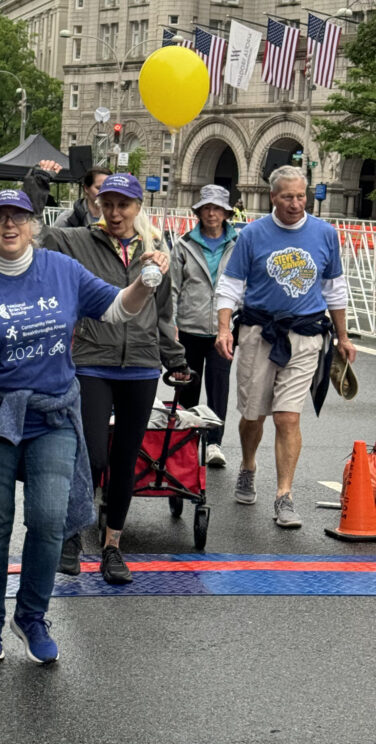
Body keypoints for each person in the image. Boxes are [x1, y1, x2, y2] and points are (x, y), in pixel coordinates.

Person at [0, 188, 165, 663]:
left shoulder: (61, 271)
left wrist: (146, 283)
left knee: (47, 521)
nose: (9, 226)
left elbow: (115, 308)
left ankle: (31, 617)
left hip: (54, 415)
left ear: (33, 225)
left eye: (18, 218)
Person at [42, 173, 188, 585]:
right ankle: (71, 537)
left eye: (123, 205)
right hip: (92, 361)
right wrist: (42, 187)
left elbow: (162, 317)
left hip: (141, 366)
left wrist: (175, 359)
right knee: (92, 455)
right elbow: (41, 236)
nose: (115, 212)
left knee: (125, 459)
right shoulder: (78, 241)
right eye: (107, 203)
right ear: (96, 203)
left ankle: (112, 547)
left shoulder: (157, 252)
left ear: (138, 207)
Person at [216, 165, 356, 529]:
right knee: (252, 414)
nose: (295, 203)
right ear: (272, 197)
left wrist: (343, 336)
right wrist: (223, 329)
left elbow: (334, 289)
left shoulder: (325, 234)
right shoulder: (253, 235)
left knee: (288, 416)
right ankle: (248, 465)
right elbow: (230, 286)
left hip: (306, 334)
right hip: (258, 332)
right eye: (287, 197)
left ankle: (284, 496)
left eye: (300, 196)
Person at [171, 185, 239, 467]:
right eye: (206, 208)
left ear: (226, 213)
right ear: (198, 212)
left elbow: (244, 285)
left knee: (219, 387)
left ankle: (214, 443)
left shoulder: (238, 244)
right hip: (188, 326)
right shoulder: (184, 244)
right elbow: (172, 288)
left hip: (223, 330)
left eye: (217, 208)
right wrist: (171, 325)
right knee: (187, 387)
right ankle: (186, 441)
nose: (211, 213)